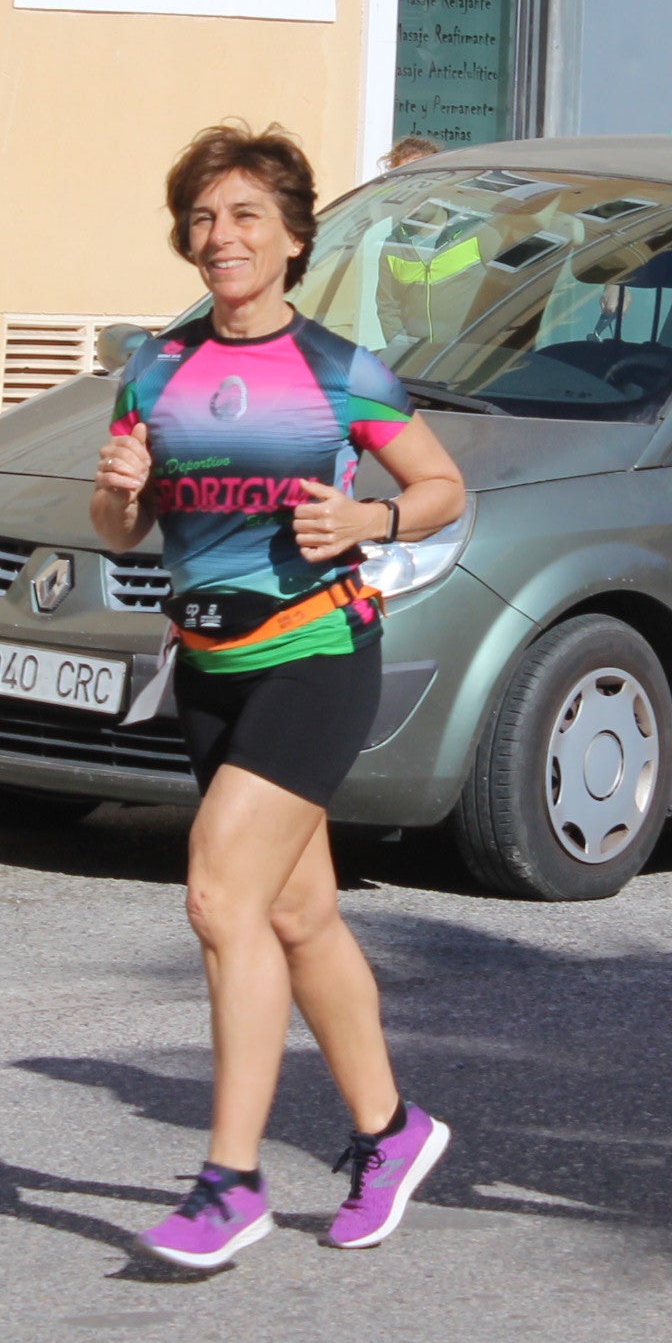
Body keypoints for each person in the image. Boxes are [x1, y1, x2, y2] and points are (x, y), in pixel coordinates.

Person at [95, 125, 470, 1271]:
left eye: (248, 215)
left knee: (219, 899)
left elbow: (444, 488)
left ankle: (231, 1181)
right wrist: (117, 494)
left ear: (296, 237)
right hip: (209, 671)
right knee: (299, 915)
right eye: (206, 218)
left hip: (314, 655)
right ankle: (390, 1131)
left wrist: (367, 520)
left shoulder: (338, 371)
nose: (224, 238)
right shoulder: (156, 369)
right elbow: (121, 528)